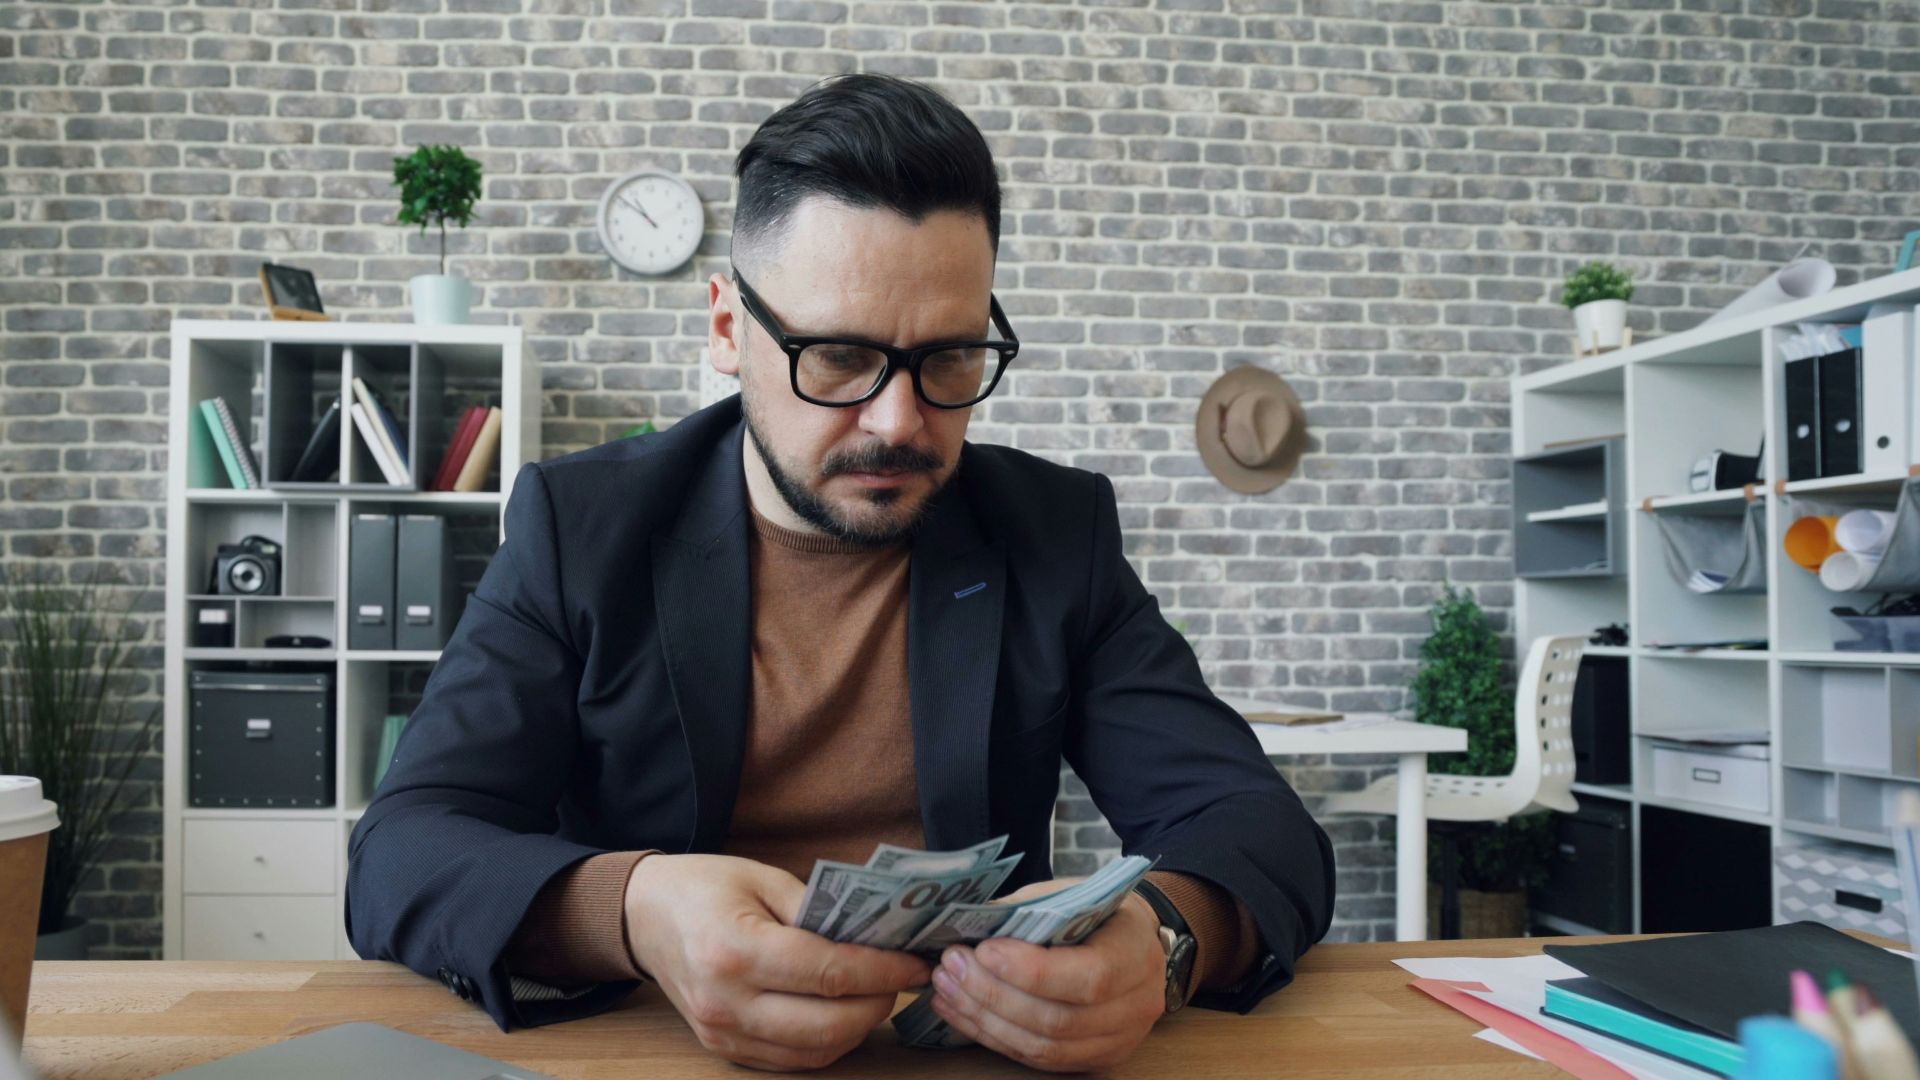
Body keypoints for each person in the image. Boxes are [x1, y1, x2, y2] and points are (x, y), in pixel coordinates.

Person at [346, 71, 1334, 1073]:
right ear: (729, 329)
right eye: (836, 357)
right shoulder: (581, 527)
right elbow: (402, 850)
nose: (899, 420)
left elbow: (1256, 825)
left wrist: (1167, 937)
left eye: (950, 359)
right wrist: (635, 910)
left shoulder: (1053, 534)